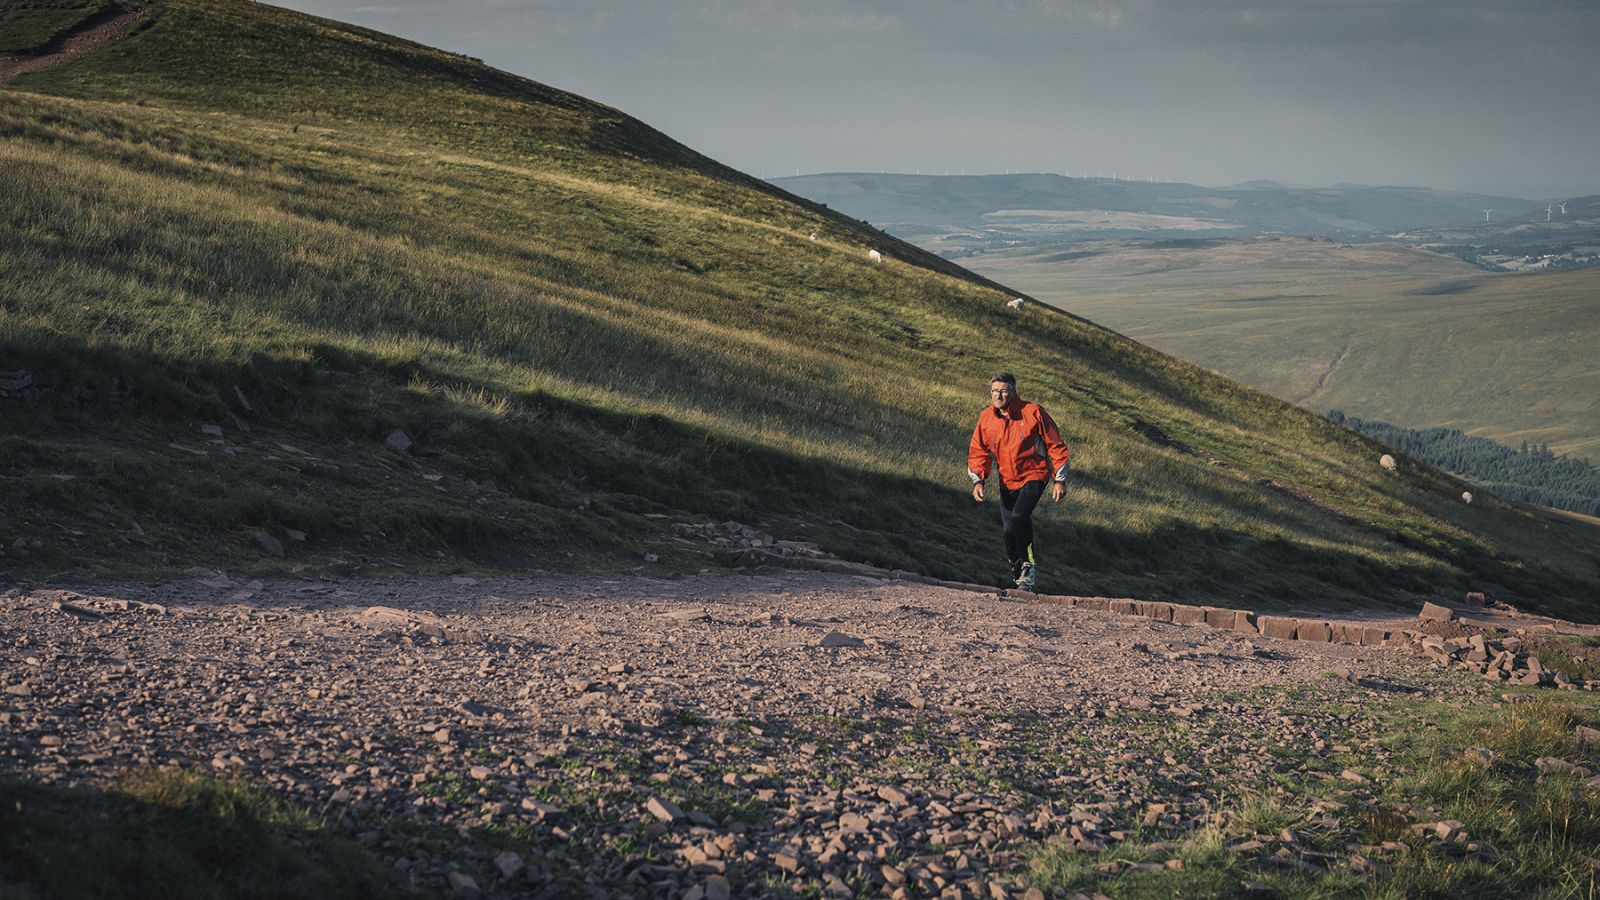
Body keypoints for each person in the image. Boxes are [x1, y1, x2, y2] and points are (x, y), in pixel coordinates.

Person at [966, 373, 1070, 591]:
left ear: (1013, 392)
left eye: (1003, 391)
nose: (998, 395)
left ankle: (1028, 567)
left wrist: (1059, 479)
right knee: (1008, 530)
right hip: (1007, 480)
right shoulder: (986, 418)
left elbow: (1055, 444)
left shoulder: (1033, 412)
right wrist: (978, 480)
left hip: (1035, 475)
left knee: (1019, 517)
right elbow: (979, 451)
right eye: (994, 391)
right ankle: (1017, 571)